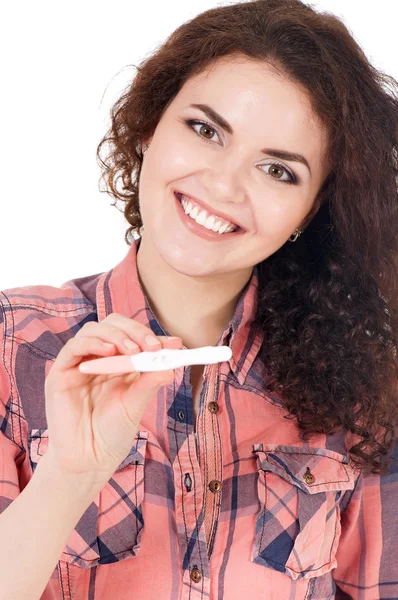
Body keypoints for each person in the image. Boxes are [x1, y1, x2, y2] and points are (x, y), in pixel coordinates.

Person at [1, 0, 397, 598]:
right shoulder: (15, 344)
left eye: (278, 170)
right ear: (148, 128)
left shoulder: (361, 390)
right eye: (205, 130)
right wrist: (66, 475)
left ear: (308, 213)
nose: (223, 185)